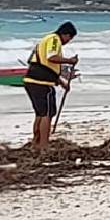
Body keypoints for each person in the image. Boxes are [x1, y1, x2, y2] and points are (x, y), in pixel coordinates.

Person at [23, 22, 78, 150]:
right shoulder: (54, 39)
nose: (68, 42)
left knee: (40, 113)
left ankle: (36, 142)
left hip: (32, 80)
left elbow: (46, 65)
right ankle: (44, 145)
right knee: (47, 114)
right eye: (69, 38)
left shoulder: (45, 40)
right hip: (42, 83)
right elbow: (52, 57)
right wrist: (70, 61)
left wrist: (61, 81)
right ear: (65, 34)